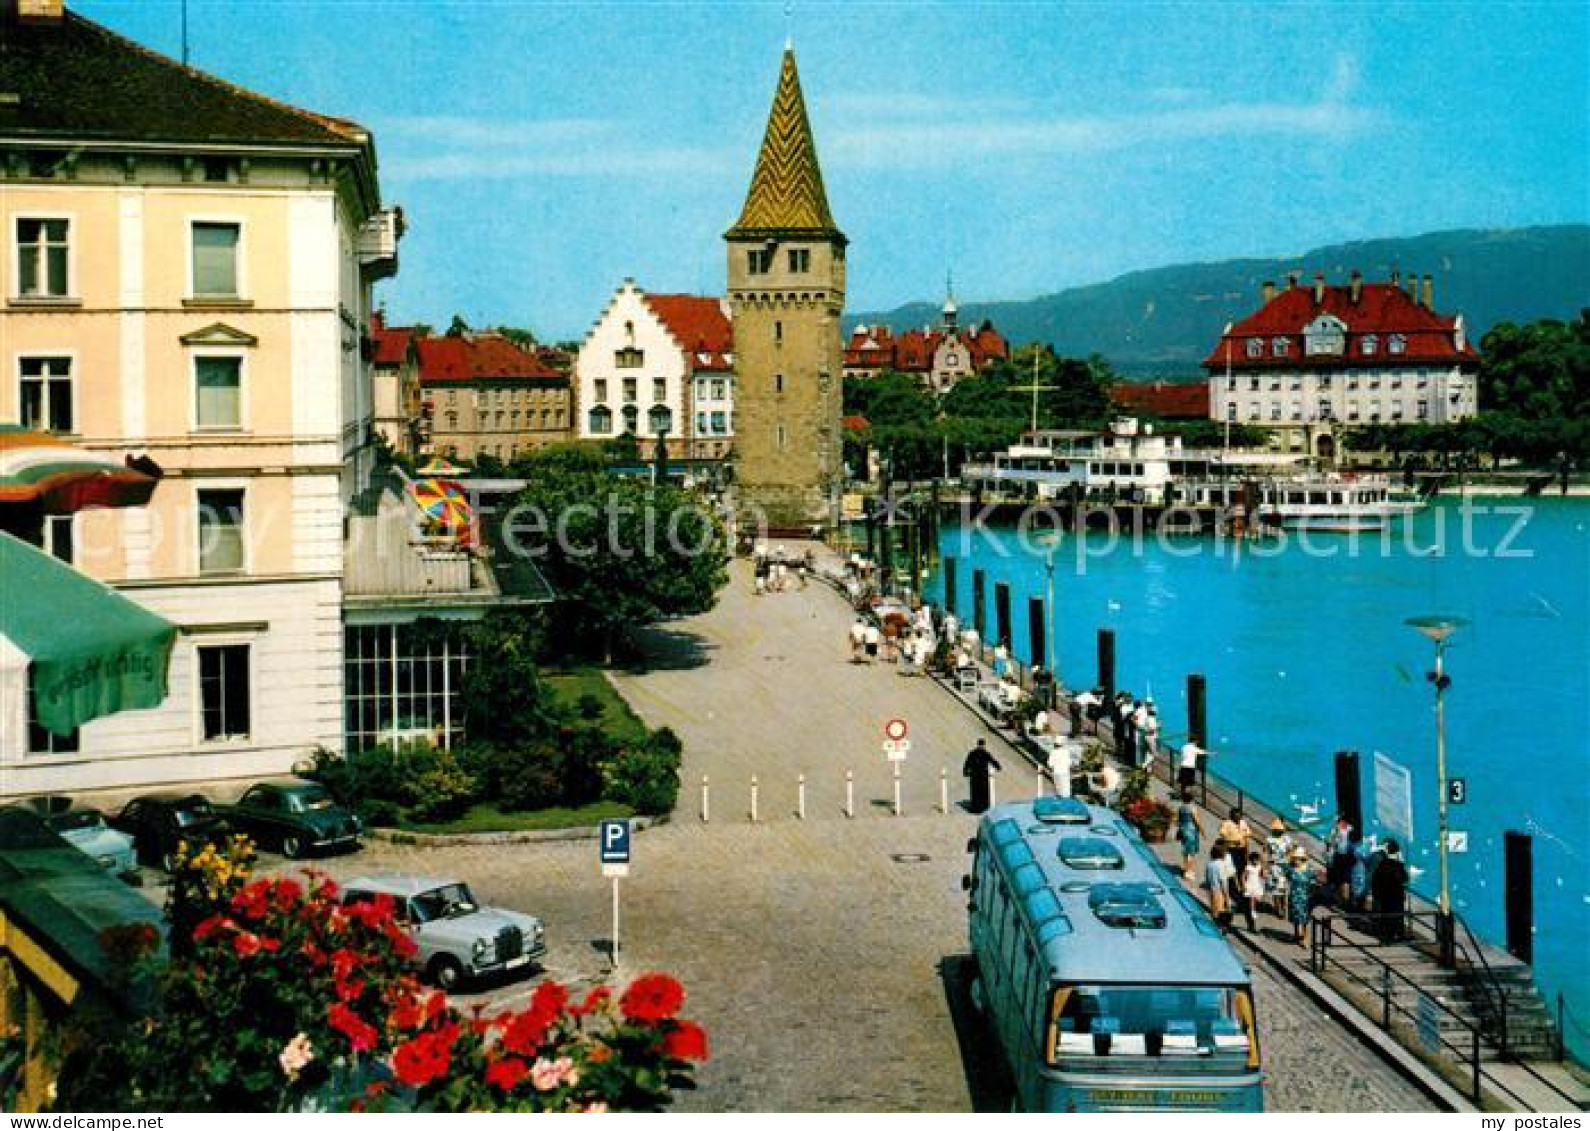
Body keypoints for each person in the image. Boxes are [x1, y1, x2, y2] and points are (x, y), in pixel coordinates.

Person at [1371, 839, 1410, 941]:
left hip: (1385, 895)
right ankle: (1397, 934)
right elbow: (1404, 878)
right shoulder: (1397, 865)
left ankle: (1387, 936)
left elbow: (1376, 879)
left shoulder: (1382, 864)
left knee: (1387, 916)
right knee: (1397, 916)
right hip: (1396, 895)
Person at [1284, 847, 1317, 946]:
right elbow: (1287, 878)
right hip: (1294, 896)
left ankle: (1305, 936)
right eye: (1295, 858)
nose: (1296, 860)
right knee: (1295, 916)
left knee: (1304, 918)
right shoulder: (1291, 869)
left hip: (1305, 896)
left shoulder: (1309, 870)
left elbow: (1313, 883)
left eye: (1298, 858)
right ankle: (1296, 935)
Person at [962, 739, 1002, 814]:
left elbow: (967, 763)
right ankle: (982, 807)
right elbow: (992, 760)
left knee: (976, 792)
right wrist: (998, 766)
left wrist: (965, 771)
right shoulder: (984, 753)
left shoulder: (973, 753)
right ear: (984, 745)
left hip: (976, 775)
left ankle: (976, 808)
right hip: (982, 775)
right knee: (982, 792)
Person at [1325, 815, 1355, 905]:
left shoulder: (1340, 831)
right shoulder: (1339, 831)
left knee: (1340, 880)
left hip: (1341, 858)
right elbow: (1330, 843)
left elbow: (1329, 843)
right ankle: (1340, 900)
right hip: (1341, 858)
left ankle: (1340, 900)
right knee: (1341, 880)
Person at [1175, 788, 1203, 880]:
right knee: (1191, 852)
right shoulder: (1193, 808)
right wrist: (1202, 830)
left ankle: (1186, 869)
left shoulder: (1181, 808)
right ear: (1192, 799)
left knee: (1186, 851)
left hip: (1183, 830)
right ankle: (1188, 871)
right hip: (1191, 831)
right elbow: (1197, 821)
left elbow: (1178, 821)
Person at [1204, 844, 1232, 928]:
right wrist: (1227, 898)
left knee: (1214, 912)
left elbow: (1207, 879)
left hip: (1211, 890)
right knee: (1221, 914)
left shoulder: (1209, 864)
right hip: (1219, 892)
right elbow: (1223, 882)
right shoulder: (1221, 865)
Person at [1240, 850, 1266, 932]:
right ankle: (1252, 915)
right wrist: (1243, 885)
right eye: (1254, 860)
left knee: (1254, 901)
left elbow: (1262, 875)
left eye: (1257, 860)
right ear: (1251, 860)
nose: (1256, 861)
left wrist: (1263, 873)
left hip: (1256, 886)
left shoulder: (1259, 866)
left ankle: (1253, 912)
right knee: (1250, 901)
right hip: (1250, 885)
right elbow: (1243, 876)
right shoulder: (1248, 867)